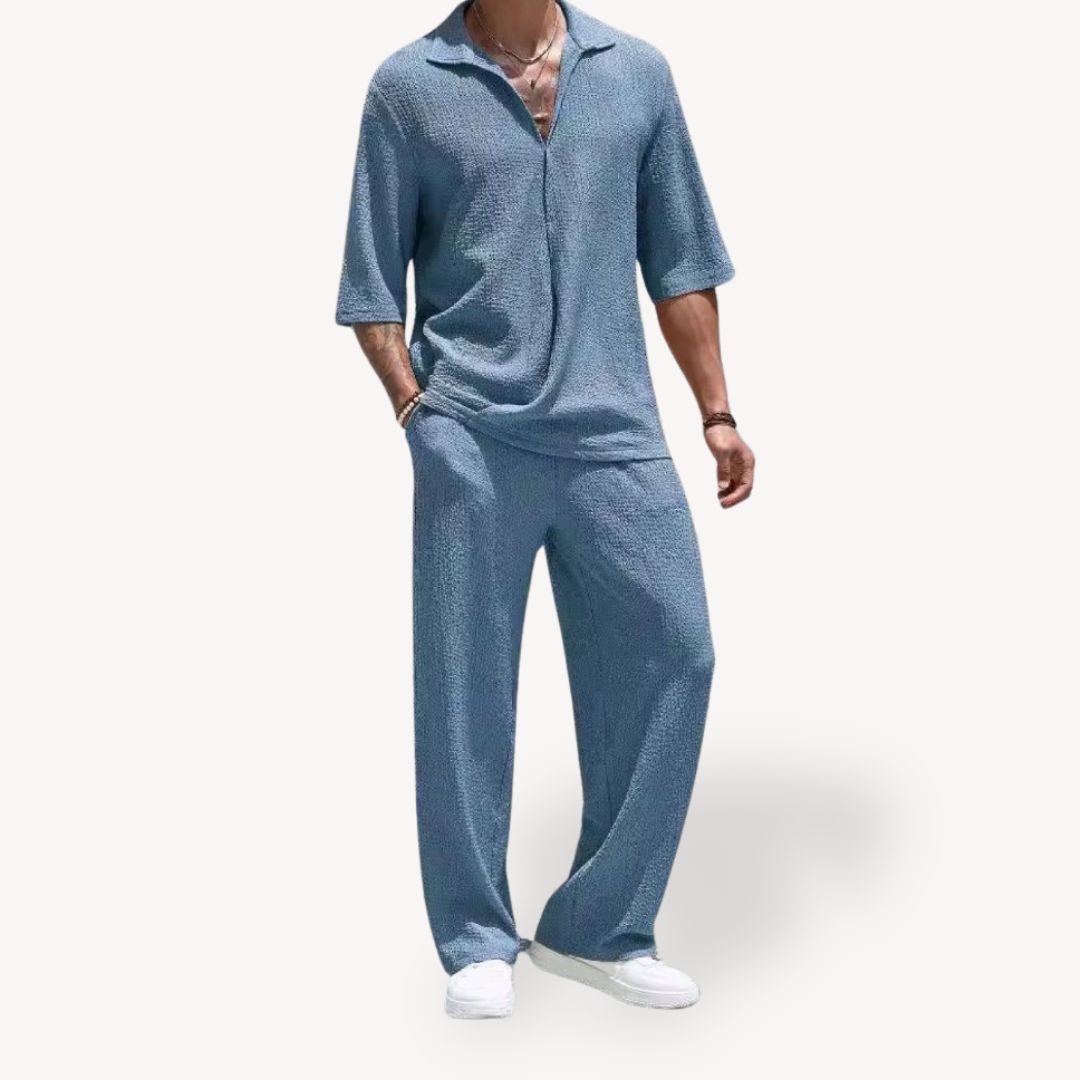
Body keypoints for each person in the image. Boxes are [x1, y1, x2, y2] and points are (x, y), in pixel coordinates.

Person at [335, 0, 754, 1018]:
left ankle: (598, 925)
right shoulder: (407, 87)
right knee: (465, 687)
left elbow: (681, 261)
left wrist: (716, 412)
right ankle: (476, 941)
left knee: (678, 652)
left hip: (615, 428)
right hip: (472, 431)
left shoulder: (638, 74)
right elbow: (371, 285)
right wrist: (415, 411)